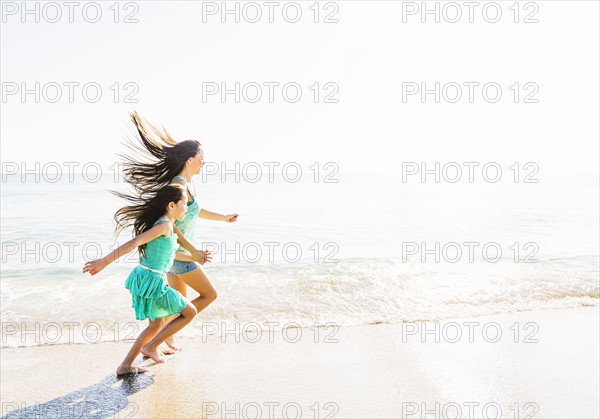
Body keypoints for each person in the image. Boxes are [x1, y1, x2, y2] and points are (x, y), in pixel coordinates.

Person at [119, 111, 238, 350]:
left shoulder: (186, 184)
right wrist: (193, 252)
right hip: (180, 255)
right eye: (201, 157)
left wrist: (224, 218)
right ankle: (154, 343)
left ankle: (163, 341)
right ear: (190, 160)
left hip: (176, 255)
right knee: (209, 295)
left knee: (178, 304)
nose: (204, 162)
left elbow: (197, 210)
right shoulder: (178, 186)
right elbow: (169, 222)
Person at [83, 184, 211, 375]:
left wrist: (195, 257)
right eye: (184, 203)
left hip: (146, 277)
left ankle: (127, 364)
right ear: (172, 205)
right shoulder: (164, 226)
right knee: (189, 312)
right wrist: (103, 262)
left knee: (157, 324)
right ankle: (147, 350)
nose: (187, 207)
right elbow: (132, 243)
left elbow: (171, 252)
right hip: (152, 280)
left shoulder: (166, 224)